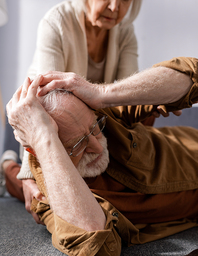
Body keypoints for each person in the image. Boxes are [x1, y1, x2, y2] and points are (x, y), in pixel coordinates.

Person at [6, 56, 198, 256]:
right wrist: (43, 136)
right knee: (17, 185)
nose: (98, 147)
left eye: (94, 129)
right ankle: (7, 165)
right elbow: (99, 251)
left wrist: (102, 94)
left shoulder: (102, 114)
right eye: (78, 144)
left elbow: (193, 73)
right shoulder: (49, 198)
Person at [1, 0, 147, 206]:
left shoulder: (125, 31)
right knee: (40, 199)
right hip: (48, 126)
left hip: (91, 130)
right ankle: (8, 166)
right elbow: (38, 107)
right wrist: (28, 175)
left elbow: (128, 94)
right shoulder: (56, 23)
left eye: (124, 0)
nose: (115, 8)